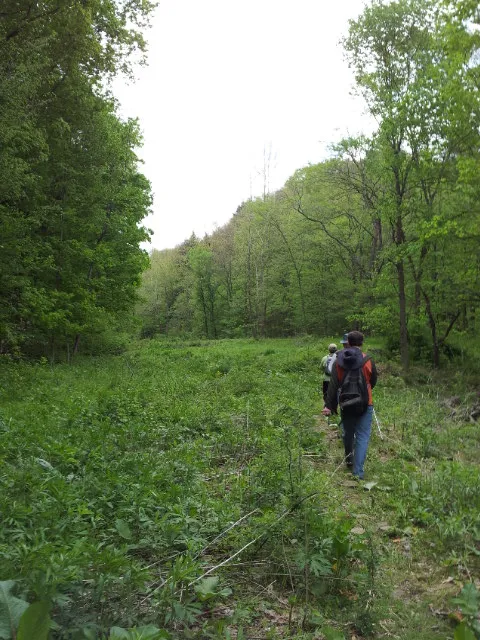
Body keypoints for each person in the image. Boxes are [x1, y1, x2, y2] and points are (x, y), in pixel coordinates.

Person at [322, 331, 378, 480]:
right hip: (366, 402)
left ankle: (349, 459)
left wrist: (329, 405)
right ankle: (358, 473)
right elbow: (373, 381)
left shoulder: (339, 360)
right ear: (361, 343)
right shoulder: (368, 360)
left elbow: (333, 385)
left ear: (348, 342)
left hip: (346, 402)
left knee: (348, 432)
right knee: (362, 436)